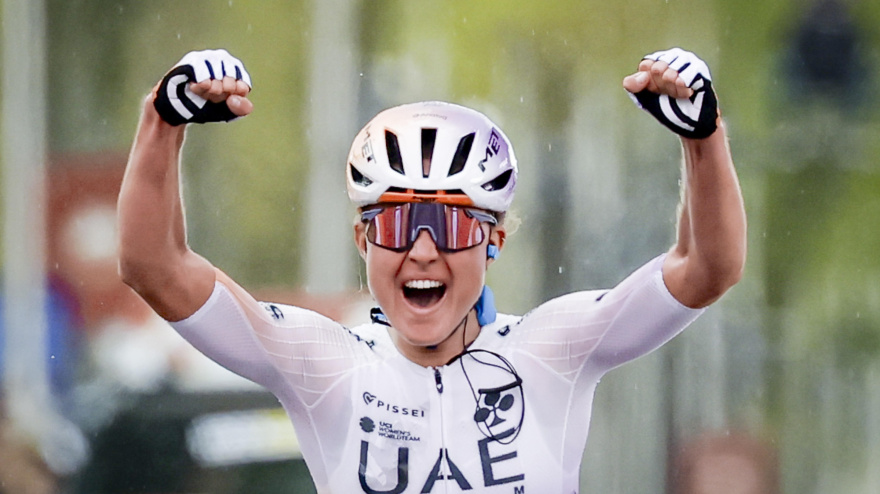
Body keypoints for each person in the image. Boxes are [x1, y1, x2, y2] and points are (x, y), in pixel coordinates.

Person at [118, 47, 746, 493]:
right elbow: (155, 267)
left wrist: (703, 138)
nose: (422, 251)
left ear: (494, 239)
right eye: (394, 224)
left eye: (448, 225)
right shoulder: (323, 363)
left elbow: (707, 267)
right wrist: (163, 120)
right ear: (363, 239)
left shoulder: (554, 347)